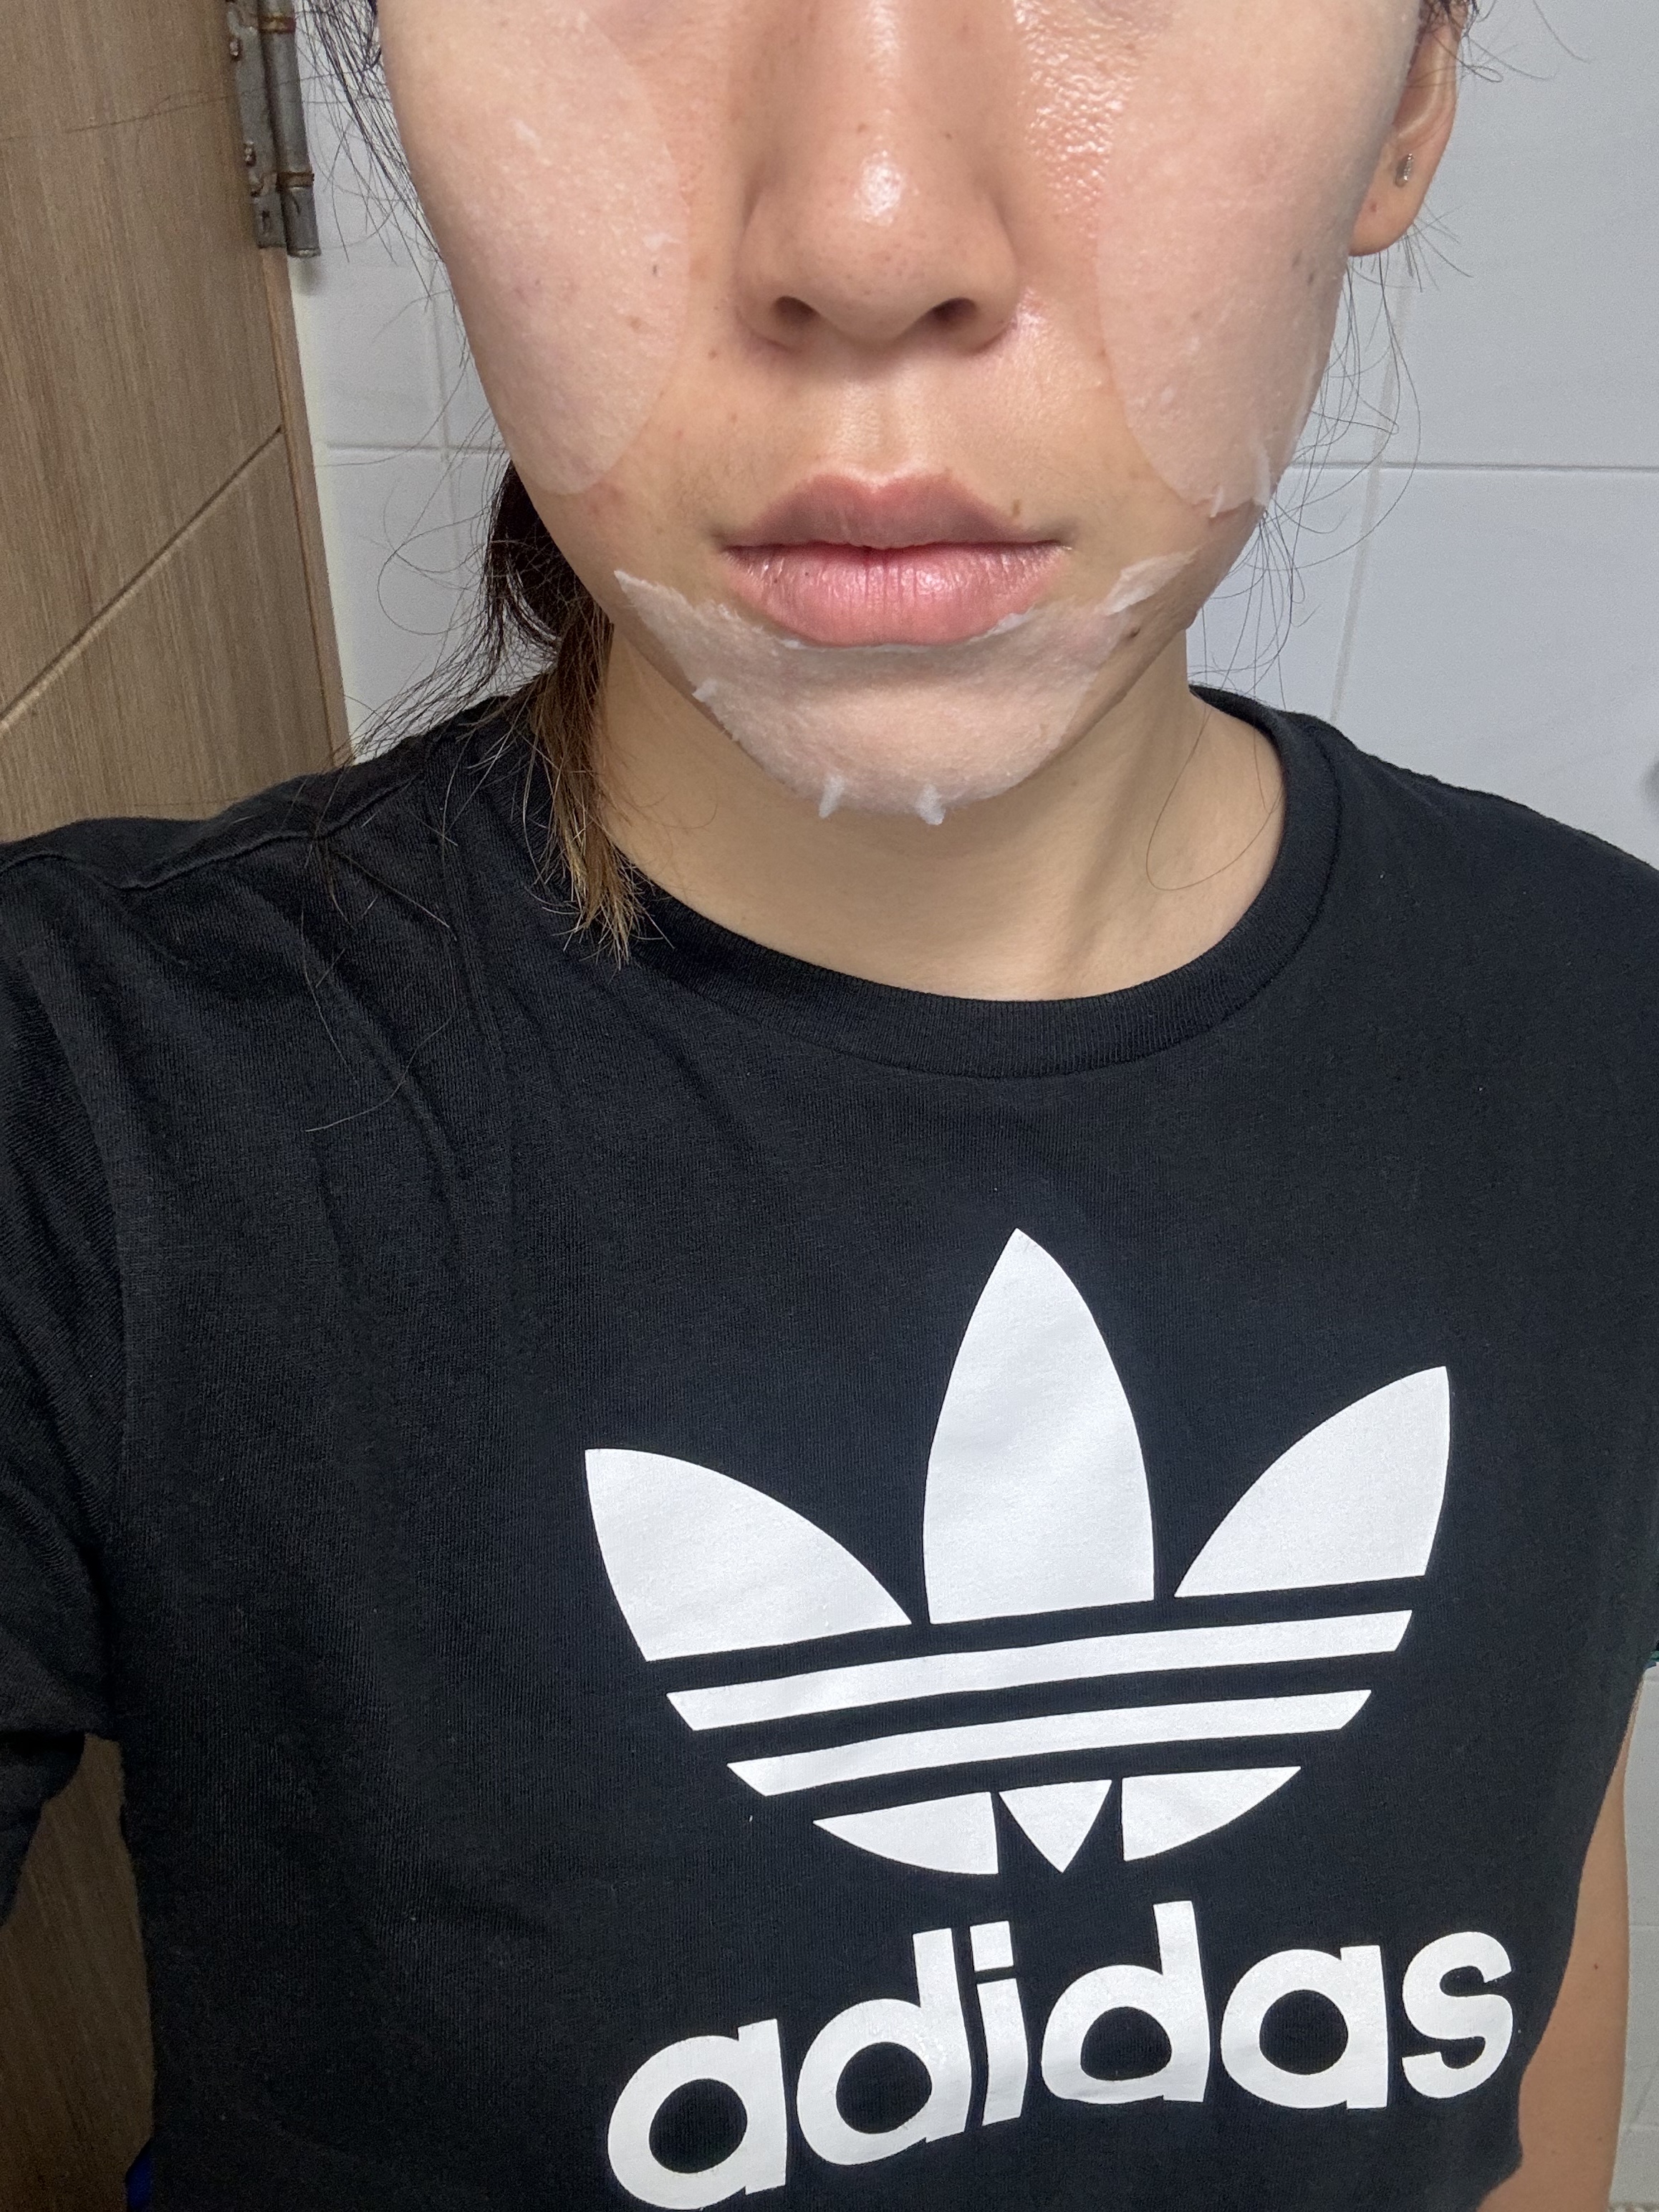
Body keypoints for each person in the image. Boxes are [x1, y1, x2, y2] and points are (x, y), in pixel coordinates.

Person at [2, 2, 1654, 2207]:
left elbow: (1525, 1860)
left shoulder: (1603, 1029)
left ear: (1409, 95)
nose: (868, 232)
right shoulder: (83, 1105)